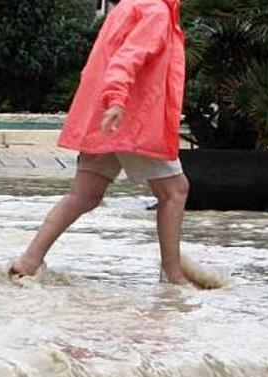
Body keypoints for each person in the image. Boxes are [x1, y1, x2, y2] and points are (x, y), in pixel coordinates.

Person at [11, 0, 195, 285]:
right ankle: (173, 276)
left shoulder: (128, 7)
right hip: (133, 120)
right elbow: (128, 58)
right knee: (175, 191)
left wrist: (111, 102)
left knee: (84, 195)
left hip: (105, 119)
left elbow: (109, 59)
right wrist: (118, 100)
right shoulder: (155, 12)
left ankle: (29, 261)